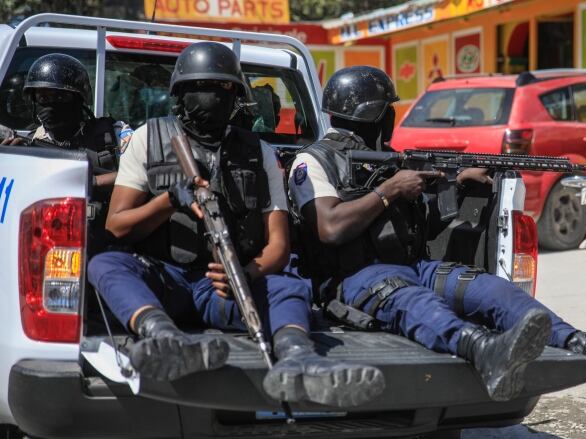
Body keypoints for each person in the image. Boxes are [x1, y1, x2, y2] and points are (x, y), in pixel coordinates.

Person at [288, 66, 586, 408]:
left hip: (413, 265)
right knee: (416, 302)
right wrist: (389, 191)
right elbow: (331, 228)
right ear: (372, 114)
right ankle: (484, 352)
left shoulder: (388, 157)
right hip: (355, 278)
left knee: (493, 291)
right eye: (388, 109)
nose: (392, 117)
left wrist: (455, 182)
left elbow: (418, 222)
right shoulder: (313, 161)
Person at [86, 43, 384, 408]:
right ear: (180, 94)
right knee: (105, 264)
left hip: (225, 287)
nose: (211, 98)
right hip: (165, 280)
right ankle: (164, 339)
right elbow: (117, 227)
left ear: (237, 97)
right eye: (200, 88)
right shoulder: (150, 139)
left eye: (223, 89)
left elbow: (278, 245)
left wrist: (245, 273)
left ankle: (297, 357)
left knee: (287, 285)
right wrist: (170, 201)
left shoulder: (260, 152)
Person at [2, 53, 133, 254]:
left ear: (79, 99)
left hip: (109, 243)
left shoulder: (113, 135)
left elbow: (141, 174)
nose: (50, 104)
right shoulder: (30, 144)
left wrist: (93, 182)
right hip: (48, 245)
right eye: (43, 97)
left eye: (60, 97)